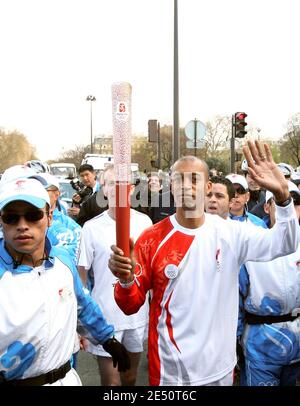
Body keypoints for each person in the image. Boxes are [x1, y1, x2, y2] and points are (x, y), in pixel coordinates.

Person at [108, 141, 298, 386]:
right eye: (179, 179)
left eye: (194, 179)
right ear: (171, 186)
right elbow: (130, 305)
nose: (186, 186)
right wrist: (125, 280)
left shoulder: (231, 233)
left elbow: (286, 243)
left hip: (219, 369)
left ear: (207, 187)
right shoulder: (151, 239)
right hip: (171, 371)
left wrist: (283, 195)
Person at [0, 178, 130, 386]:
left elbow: (82, 306)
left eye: (33, 216)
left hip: (65, 379)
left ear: (49, 217)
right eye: (11, 218)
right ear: (1, 221)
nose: (22, 226)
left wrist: (108, 339)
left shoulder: (63, 261)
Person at [77, 165, 152, 386]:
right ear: (103, 189)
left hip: (137, 316)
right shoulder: (91, 228)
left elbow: (149, 271)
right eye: (111, 183)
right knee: (111, 384)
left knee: (130, 378)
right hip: (105, 317)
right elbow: (82, 274)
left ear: (131, 189)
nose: (117, 189)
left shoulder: (145, 223)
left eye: (122, 184)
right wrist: (82, 321)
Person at [239, 182, 300, 386]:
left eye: (295, 203)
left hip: (296, 343)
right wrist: (233, 342)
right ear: (267, 207)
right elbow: (237, 298)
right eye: (281, 203)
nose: (290, 210)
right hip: (260, 343)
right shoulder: (252, 242)